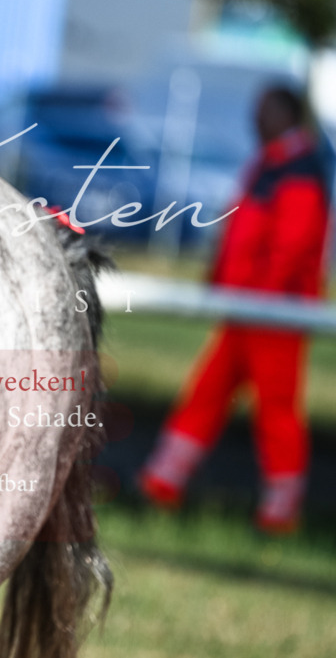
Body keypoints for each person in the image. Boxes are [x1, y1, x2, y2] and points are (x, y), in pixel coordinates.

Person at [139, 86, 329, 535]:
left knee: (276, 412)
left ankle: (281, 512)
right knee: (206, 395)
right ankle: (160, 485)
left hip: (276, 314)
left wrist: (249, 296)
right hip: (246, 308)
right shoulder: (270, 163)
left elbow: (290, 248)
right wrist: (225, 287)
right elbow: (241, 232)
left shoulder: (298, 170)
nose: (254, 119)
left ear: (286, 115)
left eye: (262, 111)